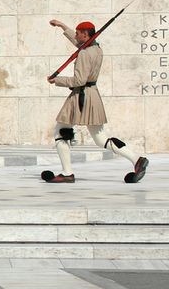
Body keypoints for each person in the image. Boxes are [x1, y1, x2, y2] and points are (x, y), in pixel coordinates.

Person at [44, 20, 149, 183]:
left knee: (61, 132)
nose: (76, 35)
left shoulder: (85, 53)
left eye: (78, 33)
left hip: (82, 96)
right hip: (92, 95)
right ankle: (136, 159)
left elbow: (79, 80)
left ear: (85, 34)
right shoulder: (96, 49)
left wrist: (57, 80)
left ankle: (67, 173)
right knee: (101, 139)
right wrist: (62, 26)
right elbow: (78, 42)